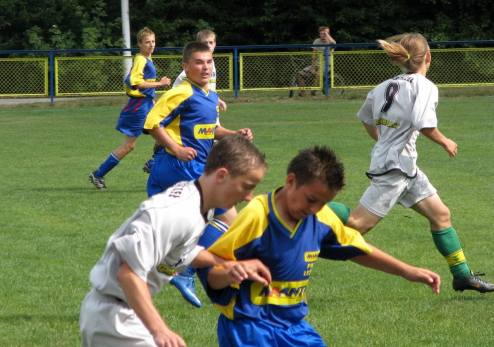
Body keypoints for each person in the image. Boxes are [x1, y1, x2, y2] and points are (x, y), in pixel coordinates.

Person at [198, 145, 441, 347]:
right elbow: (211, 272)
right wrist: (230, 272)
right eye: (311, 199)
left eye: (323, 203)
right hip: (250, 328)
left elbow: (357, 249)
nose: (314, 209)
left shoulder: (320, 218)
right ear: (291, 181)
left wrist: (408, 271)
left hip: (294, 328)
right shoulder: (257, 216)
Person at [329, 33, 494, 293]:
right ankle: (303, 208)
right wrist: (445, 141)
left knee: (440, 215)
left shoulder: (383, 86)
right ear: (428, 57)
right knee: (357, 225)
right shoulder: (424, 85)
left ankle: (462, 276)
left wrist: (383, 140)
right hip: (395, 167)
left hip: (404, 166)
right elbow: (423, 122)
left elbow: (365, 117)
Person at [80, 135, 272, 347]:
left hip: (122, 311)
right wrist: (159, 330)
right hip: (115, 319)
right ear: (222, 176)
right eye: (247, 186)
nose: (249, 197)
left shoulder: (200, 204)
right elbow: (128, 274)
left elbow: (183, 251)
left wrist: (229, 264)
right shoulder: (178, 212)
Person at [143, 40, 253, 307]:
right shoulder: (181, 92)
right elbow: (151, 123)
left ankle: (169, 270)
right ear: (185, 66)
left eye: (208, 62)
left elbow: (209, 130)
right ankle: (183, 270)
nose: (205, 67)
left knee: (213, 221)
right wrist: (177, 149)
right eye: (198, 62)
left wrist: (234, 134)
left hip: (197, 166)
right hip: (180, 166)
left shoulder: (210, 96)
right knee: (225, 218)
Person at [88, 27, 171, 189]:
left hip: (145, 104)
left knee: (167, 130)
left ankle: (153, 163)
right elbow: (135, 82)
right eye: (147, 42)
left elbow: (135, 83)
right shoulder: (141, 59)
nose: (151, 45)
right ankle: (98, 174)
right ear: (139, 44)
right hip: (138, 108)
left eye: (153, 41)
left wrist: (151, 99)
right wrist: (160, 83)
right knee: (129, 145)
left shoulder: (147, 58)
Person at [142, 29, 227, 174]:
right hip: (192, 114)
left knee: (208, 138)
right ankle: (159, 157)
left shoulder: (211, 69)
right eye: (205, 43)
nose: (205, 67)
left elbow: (207, 89)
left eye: (211, 43)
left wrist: (216, 99)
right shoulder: (185, 84)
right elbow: (177, 94)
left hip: (207, 106)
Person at [297, 26, 336, 97]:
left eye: (325, 33)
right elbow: (313, 55)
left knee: (319, 74)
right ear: (319, 34)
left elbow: (333, 43)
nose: (323, 35)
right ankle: (303, 92)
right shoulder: (317, 41)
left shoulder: (330, 41)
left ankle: (313, 92)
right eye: (321, 34)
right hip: (317, 64)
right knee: (300, 74)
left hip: (327, 65)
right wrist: (313, 67)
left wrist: (327, 34)